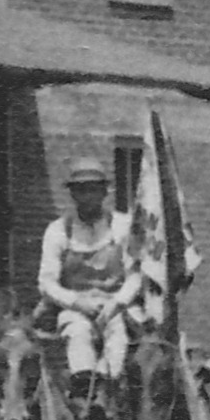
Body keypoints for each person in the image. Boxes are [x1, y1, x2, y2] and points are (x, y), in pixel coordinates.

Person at [36, 157, 138, 385]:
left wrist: (117, 303)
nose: (88, 197)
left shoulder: (122, 226)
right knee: (77, 333)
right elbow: (47, 282)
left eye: (93, 190)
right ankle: (85, 391)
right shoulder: (58, 231)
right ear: (73, 194)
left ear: (104, 192)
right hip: (77, 307)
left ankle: (108, 386)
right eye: (81, 191)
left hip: (115, 307)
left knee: (119, 334)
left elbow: (135, 275)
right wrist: (76, 302)